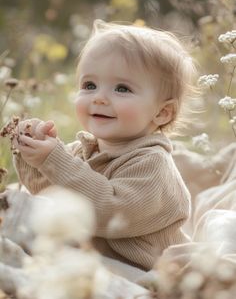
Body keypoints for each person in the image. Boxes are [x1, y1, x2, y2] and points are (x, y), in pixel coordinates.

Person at [13, 20, 196, 271]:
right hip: (93, 263)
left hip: (139, 269)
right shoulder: (84, 151)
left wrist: (54, 160)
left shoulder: (152, 164)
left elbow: (109, 213)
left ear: (163, 113)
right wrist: (33, 154)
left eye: (122, 88)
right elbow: (51, 197)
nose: (99, 97)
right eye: (89, 85)